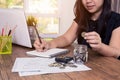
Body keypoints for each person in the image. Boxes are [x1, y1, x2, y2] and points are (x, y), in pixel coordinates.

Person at [34, 0, 120, 59]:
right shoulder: (81, 18)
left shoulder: (116, 20)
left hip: (108, 70)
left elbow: (116, 52)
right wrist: (49, 44)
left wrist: (100, 46)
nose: (88, 1)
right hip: (85, 66)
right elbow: (66, 38)